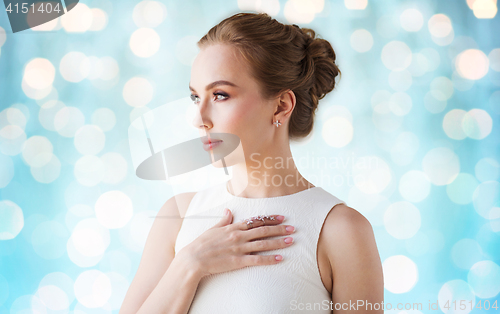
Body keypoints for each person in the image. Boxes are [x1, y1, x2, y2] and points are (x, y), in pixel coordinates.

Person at [120, 12, 383, 314]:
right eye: (195, 97)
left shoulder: (340, 231)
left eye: (220, 95)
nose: (199, 119)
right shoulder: (178, 218)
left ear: (281, 106)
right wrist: (190, 264)